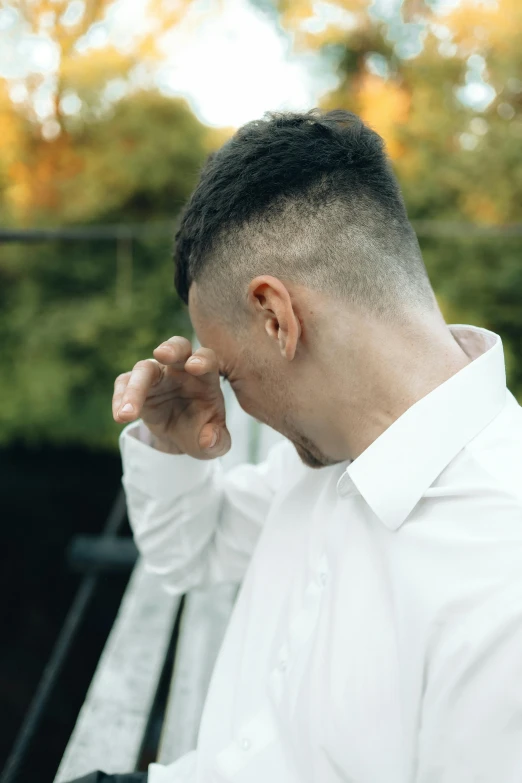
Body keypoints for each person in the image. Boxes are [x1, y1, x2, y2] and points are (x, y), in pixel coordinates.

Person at [82, 110, 522, 782]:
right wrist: (174, 449)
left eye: (228, 373)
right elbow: (189, 552)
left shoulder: (502, 585)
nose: (236, 400)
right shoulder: (334, 449)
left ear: (275, 316)